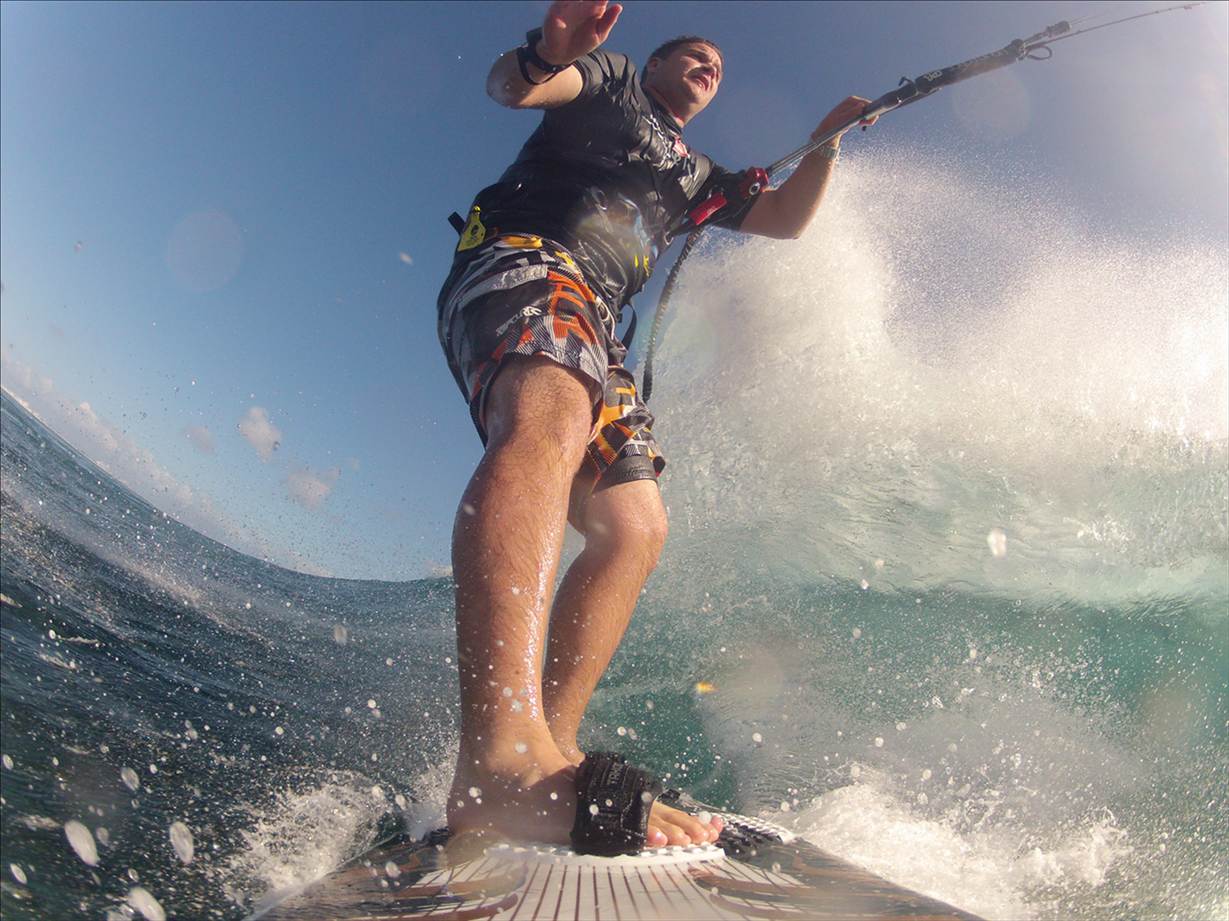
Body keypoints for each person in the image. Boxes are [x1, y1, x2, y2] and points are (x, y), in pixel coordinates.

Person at [437, 0, 872, 854]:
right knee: (551, 411)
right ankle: (499, 760)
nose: (709, 69)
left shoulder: (701, 176)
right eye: (695, 56)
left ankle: (549, 748)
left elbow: (784, 220)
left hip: (600, 326)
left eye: (719, 68)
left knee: (633, 528)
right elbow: (516, 89)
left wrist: (824, 144)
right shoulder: (612, 82)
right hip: (525, 259)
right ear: (660, 64)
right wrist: (545, 54)